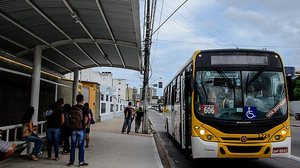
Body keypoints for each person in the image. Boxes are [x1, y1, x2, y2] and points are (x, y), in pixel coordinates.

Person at [67, 94, 90, 167]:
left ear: (76, 100)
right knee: (81, 146)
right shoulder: (85, 108)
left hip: (73, 129)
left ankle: (71, 161)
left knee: (73, 146)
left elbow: (69, 117)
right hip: (81, 129)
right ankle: (81, 162)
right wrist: (86, 124)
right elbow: (89, 117)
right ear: (82, 100)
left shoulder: (72, 107)